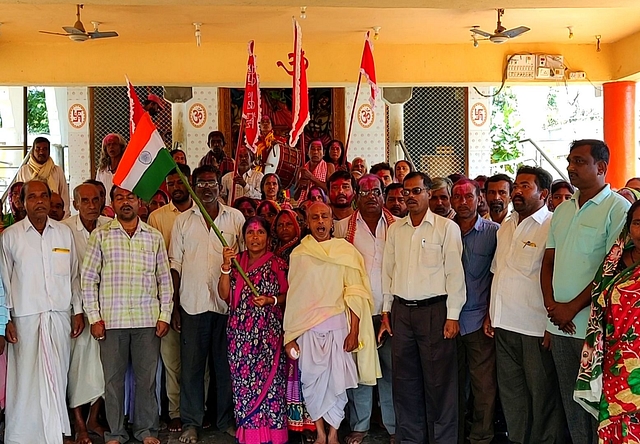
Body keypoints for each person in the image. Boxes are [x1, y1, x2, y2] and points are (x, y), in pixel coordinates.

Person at [541, 139, 630, 444]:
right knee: (571, 405)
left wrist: (571, 308)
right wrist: (552, 307)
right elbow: (548, 261)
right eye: (570, 161)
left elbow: (611, 269)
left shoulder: (618, 208)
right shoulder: (562, 210)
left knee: (596, 405)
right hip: (560, 326)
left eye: (579, 161)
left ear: (601, 167)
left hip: (593, 329)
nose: (570, 167)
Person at [82, 185, 173, 444]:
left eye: (130, 197)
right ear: (112, 203)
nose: (125, 202)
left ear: (138, 202)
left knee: (146, 381)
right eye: (119, 198)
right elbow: (89, 280)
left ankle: (147, 431)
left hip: (147, 320)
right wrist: (94, 317)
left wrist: (164, 315)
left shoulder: (153, 237)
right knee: (113, 382)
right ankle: (115, 433)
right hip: (111, 320)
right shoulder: (101, 236)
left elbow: (164, 280)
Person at [380, 171, 466, 443]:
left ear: (429, 193)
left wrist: (452, 316)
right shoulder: (396, 230)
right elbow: (388, 272)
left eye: (417, 191)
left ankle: (443, 440)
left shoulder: (445, 228)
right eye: (407, 192)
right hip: (402, 313)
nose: (410, 197)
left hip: (435, 312)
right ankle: (410, 439)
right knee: (405, 383)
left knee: (440, 383)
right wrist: (386, 310)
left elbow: (455, 275)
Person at [284, 202, 379, 444]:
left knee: (338, 382)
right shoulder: (300, 254)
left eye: (324, 217)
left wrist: (355, 330)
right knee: (312, 382)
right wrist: (290, 336)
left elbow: (355, 292)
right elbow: (295, 297)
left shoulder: (345, 251)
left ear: (331, 220)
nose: (320, 222)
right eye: (314, 218)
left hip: (338, 327)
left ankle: (334, 434)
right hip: (308, 329)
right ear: (307, 222)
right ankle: (320, 433)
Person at [484, 166, 566, 443]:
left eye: (525, 186)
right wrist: (490, 313)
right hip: (504, 323)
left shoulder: (553, 225)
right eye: (516, 186)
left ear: (543, 194)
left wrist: (550, 325)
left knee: (542, 396)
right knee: (512, 394)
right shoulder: (506, 225)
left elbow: (558, 277)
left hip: (535, 326)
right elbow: (498, 272)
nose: (517, 191)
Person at [1, 180, 82, 444]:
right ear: (23, 202)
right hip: (24, 318)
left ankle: (54, 433)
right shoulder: (11, 236)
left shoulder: (63, 233)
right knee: (24, 380)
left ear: (50, 199)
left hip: (58, 316)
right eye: (32, 196)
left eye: (43, 196)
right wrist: (7, 320)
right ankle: (22, 436)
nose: (39, 201)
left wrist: (77, 311)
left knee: (56, 377)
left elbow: (73, 276)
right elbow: (4, 282)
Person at [169, 165, 244, 444]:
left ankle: (225, 419)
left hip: (227, 307)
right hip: (192, 305)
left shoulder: (235, 218)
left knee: (224, 367)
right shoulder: (183, 222)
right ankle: (191, 422)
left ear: (220, 187)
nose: (207, 188)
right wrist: (174, 306)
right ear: (193, 186)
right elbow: (174, 265)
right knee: (191, 369)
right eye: (201, 183)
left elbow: (245, 260)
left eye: (212, 183)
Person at [334, 174, 397, 444]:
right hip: (355, 314)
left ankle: (394, 427)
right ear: (355, 196)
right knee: (359, 371)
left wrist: (389, 311)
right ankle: (360, 426)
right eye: (365, 191)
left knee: (392, 372)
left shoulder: (397, 228)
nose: (371, 196)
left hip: (391, 311)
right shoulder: (341, 228)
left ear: (383, 195)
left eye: (376, 191)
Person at [218, 216, 289, 444]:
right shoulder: (236, 261)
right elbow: (224, 295)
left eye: (260, 233)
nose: (255, 237)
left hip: (268, 334)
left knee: (271, 386)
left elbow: (289, 295)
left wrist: (270, 300)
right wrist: (226, 267)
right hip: (239, 336)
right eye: (250, 233)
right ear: (244, 237)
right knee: (243, 384)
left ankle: (273, 436)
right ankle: (250, 434)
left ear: (268, 237)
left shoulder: (277, 263)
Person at [575, 200, 640, 441]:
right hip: (617, 360)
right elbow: (599, 304)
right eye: (637, 223)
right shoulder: (613, 263)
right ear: (628, 227)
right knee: (617, 422)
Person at [450, 178, 499, 444]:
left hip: (479, 320)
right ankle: (454, 434)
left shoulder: (494, 232)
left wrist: (491, 314)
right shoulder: (444, 230)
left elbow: (498, 278)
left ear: (479, 198)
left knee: (483, 385)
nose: (463, 202)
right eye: (457, 197)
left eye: (468, 197)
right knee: (452, 384)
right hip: (448, 321)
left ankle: (481, 436)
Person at [147, 164, 194, 433]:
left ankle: (197, 410)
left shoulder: (203, 213)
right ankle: (175, 411)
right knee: (172, 360)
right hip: (168, 298)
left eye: (181, 182)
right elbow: (159, 262)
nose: (176, 187)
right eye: (171, 183)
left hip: (200, 297)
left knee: (200, 360)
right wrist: (170, 305)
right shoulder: (158, 217)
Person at [62, 183, 111, 444]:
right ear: (76, 203)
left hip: (107, 309)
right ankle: (80, 425)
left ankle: (94, 418)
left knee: (103, 367)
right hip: (77, 311)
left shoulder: (109, 226)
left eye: (96, 200)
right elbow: (69, 275)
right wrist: (79, 312)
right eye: (85, 201)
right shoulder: (66, 230)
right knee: (78, 368)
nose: (92, 206)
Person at [17, 137, 70, 216]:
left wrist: (64, 218)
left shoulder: (57, 170)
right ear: (32, 151)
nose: (41, 152)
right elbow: (20, 195)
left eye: (45, 149)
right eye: (38, 149)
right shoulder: (24, 170)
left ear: (49, 151)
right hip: (30, 215)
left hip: (54, 215)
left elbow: (64, 196)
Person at [95, 133, 126, 206]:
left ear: (121, 147)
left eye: (114, 144)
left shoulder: (128, 168)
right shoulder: (102, 170)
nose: (111, 147)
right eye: (108, 145)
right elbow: (97, 190)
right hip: (106, 208)